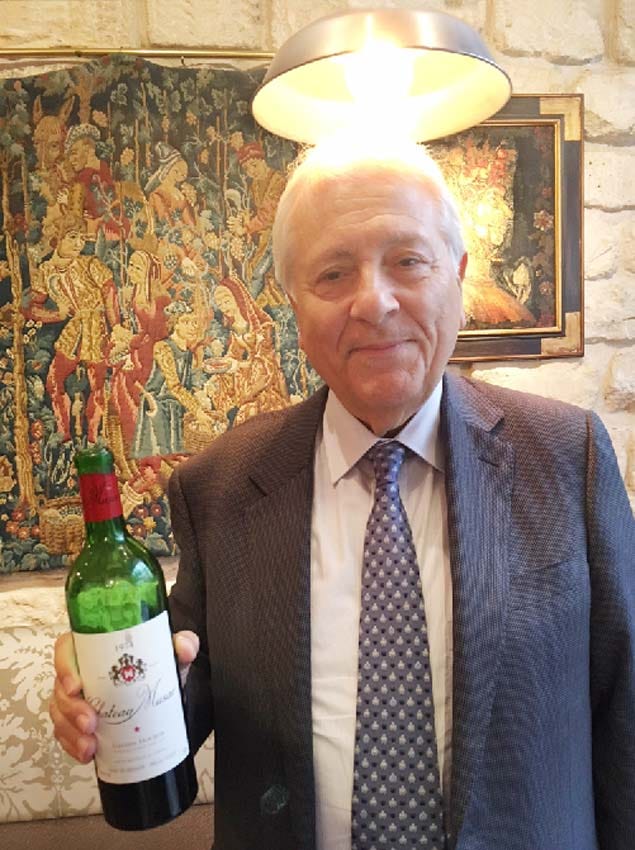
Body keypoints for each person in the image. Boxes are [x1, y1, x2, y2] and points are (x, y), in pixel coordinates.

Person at [50, 140, 634, 850]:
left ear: (457, 277)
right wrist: (105, 686)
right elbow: (187, 695)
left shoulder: (567, 456)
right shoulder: (218, 488)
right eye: (332, 273)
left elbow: (625, 711)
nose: (373, 301)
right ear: (295, 305)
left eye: (407, 261)